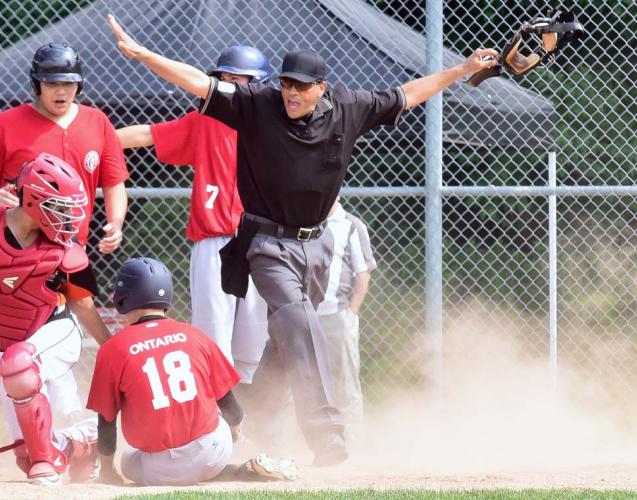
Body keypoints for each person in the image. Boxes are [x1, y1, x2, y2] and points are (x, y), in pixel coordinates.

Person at [107, 13, 499, 465]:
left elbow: (408, 94)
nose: (291, 93)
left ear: (322, 89)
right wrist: (143, 54)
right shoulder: (257, 104)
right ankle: (327, 434)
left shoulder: (348, 107)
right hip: (266, 243)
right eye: (286, 84)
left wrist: (462, 69)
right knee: (300, 324)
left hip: (317, 245)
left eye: (301, 87)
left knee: (281, 341)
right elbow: (197, 82)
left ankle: (253, 421)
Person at [0, 153, 112, 485]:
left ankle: (48, 460)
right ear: (32, 200)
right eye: (58, 207)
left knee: (20, 366)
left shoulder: (63, 246)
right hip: (9, 345)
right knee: (24, 451)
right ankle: (82, 445)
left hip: (56, 330)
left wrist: (111, 347)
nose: (67, 217)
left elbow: (83, 304)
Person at [115, 45, 273, 384]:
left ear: (259, 85)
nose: (228, 84)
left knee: (256, 340)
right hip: (215, 241)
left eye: (238, 79)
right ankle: (219, 412)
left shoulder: (278, 126)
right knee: (213, 338)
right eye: (224, 78)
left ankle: (256, 408)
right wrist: (92, 142)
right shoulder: (206, 121)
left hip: (261, 242)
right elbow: (148, 134)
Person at [87, 257, 297, 486]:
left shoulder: (112, 349)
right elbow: (231, 408)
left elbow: (106, 423)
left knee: (128, 458)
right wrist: (234, 434)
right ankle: (237, 469)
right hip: (212, 454)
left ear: (123, 298)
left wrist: (108, 473)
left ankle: (201, 471)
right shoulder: (194, 335)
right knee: (215, 427)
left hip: (157, 469)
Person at [0, 42, 128, 254]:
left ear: (80, 84)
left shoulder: (97, 122)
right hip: (16, 246)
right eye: (51, 83)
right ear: (37, 85)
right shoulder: (6, 124)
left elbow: (114, 183)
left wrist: (116, 223)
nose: (61, 91)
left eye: (69, 83)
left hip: (72, 247)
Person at [317, 198, 376, 438]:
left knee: (345, 381)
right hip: (308, 315)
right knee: (307, 379)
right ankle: (316, 435)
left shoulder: (351, 225)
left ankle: (352, 437)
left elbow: (363, 273)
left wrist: (352, 311)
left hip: (339, 314)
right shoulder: (306, 221)